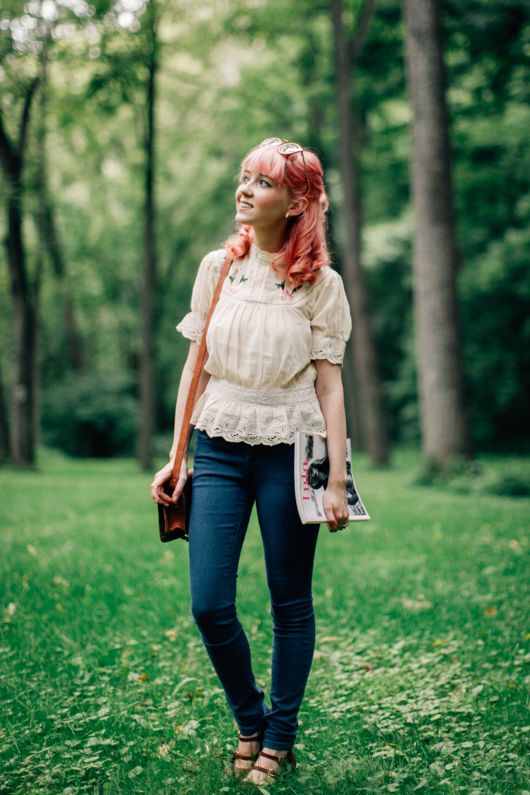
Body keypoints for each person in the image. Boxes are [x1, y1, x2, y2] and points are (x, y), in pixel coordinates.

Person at [150, 137, 352, 786]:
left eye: (261, 182)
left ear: (295, 202)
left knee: (289, 600)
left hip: (293, 446)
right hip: (220, 444)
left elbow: (330, 384)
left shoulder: (321, 283)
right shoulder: (219, 267)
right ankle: (249, 718)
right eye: (243, 177)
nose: (244, 189)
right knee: (209, 603)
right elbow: (195, 363)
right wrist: (176, 454)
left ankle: (280, 738)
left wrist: (338, 478)